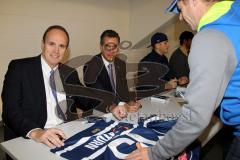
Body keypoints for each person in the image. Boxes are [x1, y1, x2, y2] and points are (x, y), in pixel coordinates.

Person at [126, 0, 240, 160]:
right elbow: (144, 86)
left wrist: (154, 154)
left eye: (180, 9)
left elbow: (196, 116)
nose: (180, 17)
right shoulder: (234, 13)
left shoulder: (210, 36)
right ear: (157, 45)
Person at [84, 29, 141, 115]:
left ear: (118, 48)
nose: (111, 51)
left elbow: (126, 88)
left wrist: (130, 101)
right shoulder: (90, 66)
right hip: (100, 111)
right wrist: (122, 105)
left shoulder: (121, 64)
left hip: (122, 110)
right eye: (107, 46)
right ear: (101, 47)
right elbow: (99, 94)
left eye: (114, 46)